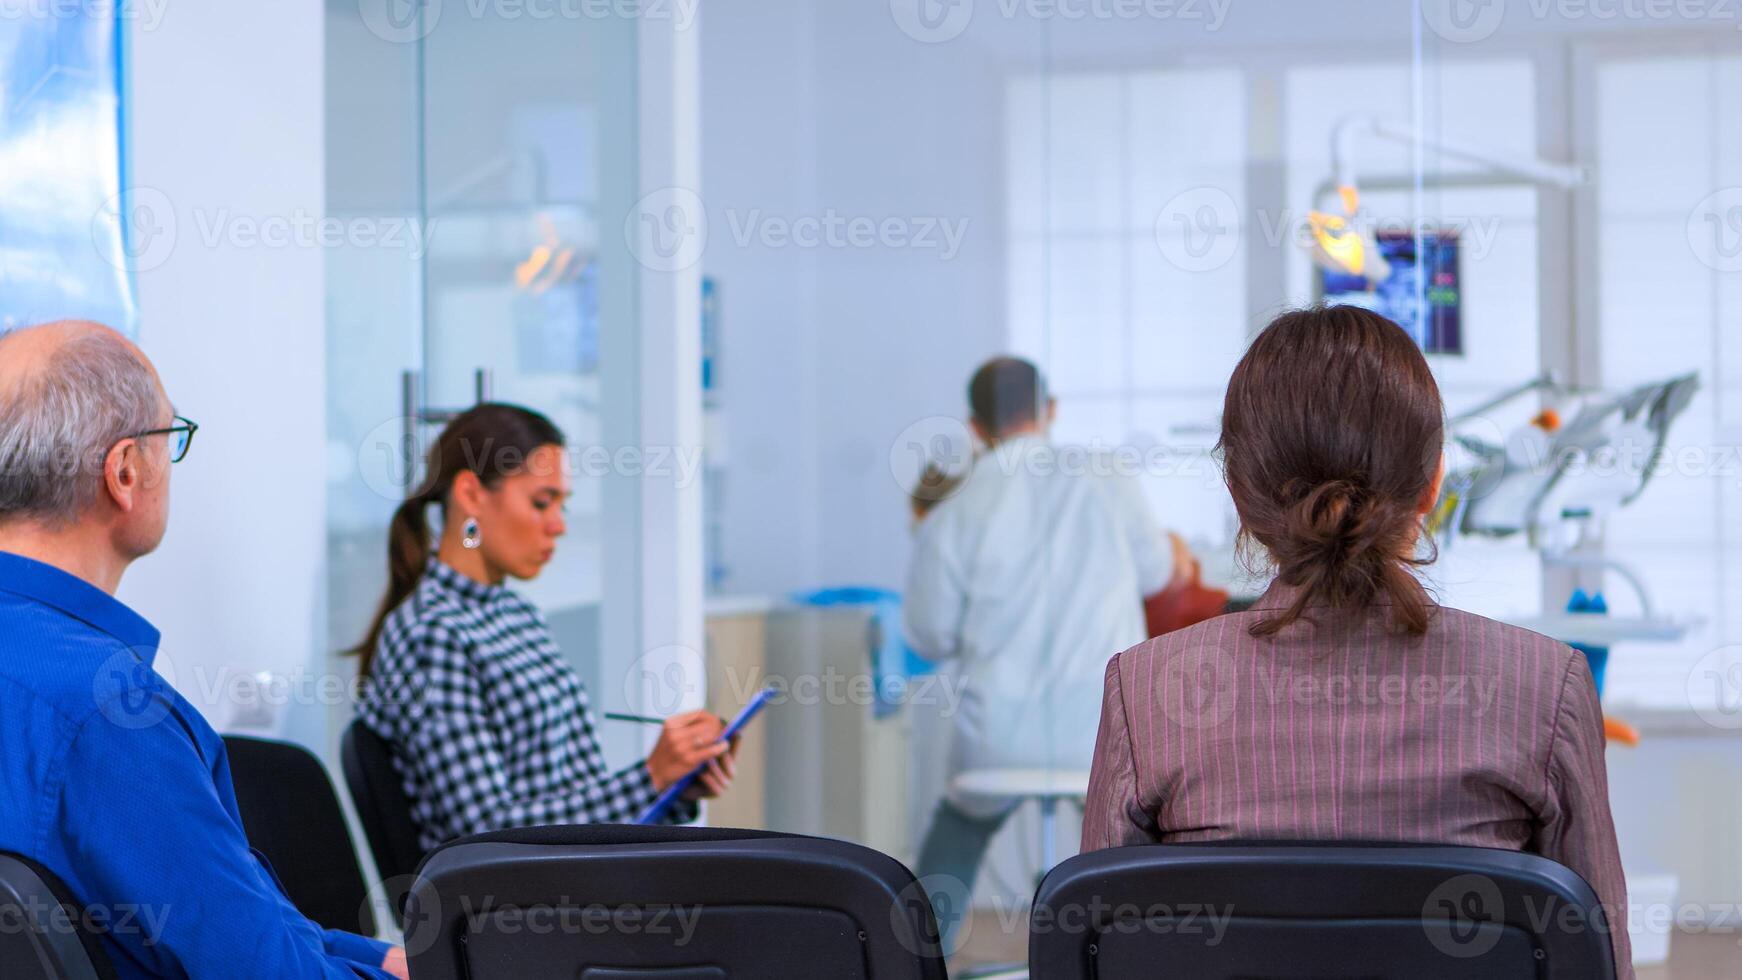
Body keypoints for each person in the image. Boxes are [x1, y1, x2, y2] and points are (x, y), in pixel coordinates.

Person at [1080, 306, 1632, 976]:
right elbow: (1598, 960)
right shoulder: (1545, 685)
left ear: (1238, 496)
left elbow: (1095, 953)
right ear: (1432, 484)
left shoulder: (1147, 691)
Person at [0, 321, 406, 979]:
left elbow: (238, 930)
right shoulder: (112, 713)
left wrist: (371, 957)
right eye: (170, 438)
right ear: (127, 470)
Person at [354, 403, 737, 852]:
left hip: (571, 881)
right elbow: (486, 832)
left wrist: (673, 790)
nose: (558, 525)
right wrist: (650, 778)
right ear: (472, 495)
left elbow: (576, 799)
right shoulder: (431, 635)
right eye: (541, 502)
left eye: (562, 505)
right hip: (518, 907)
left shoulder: (518, 616)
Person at [903, 356, 1189, 950]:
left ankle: (920, 957)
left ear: (975, 427)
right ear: (1051, 409)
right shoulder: (1106, 475)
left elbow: (929, 636)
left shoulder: (955, 507)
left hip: (996, 739)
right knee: (1141, 840)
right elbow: (1159, 572)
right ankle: (1142, 953)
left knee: (958, 828)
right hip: (1106, 733)